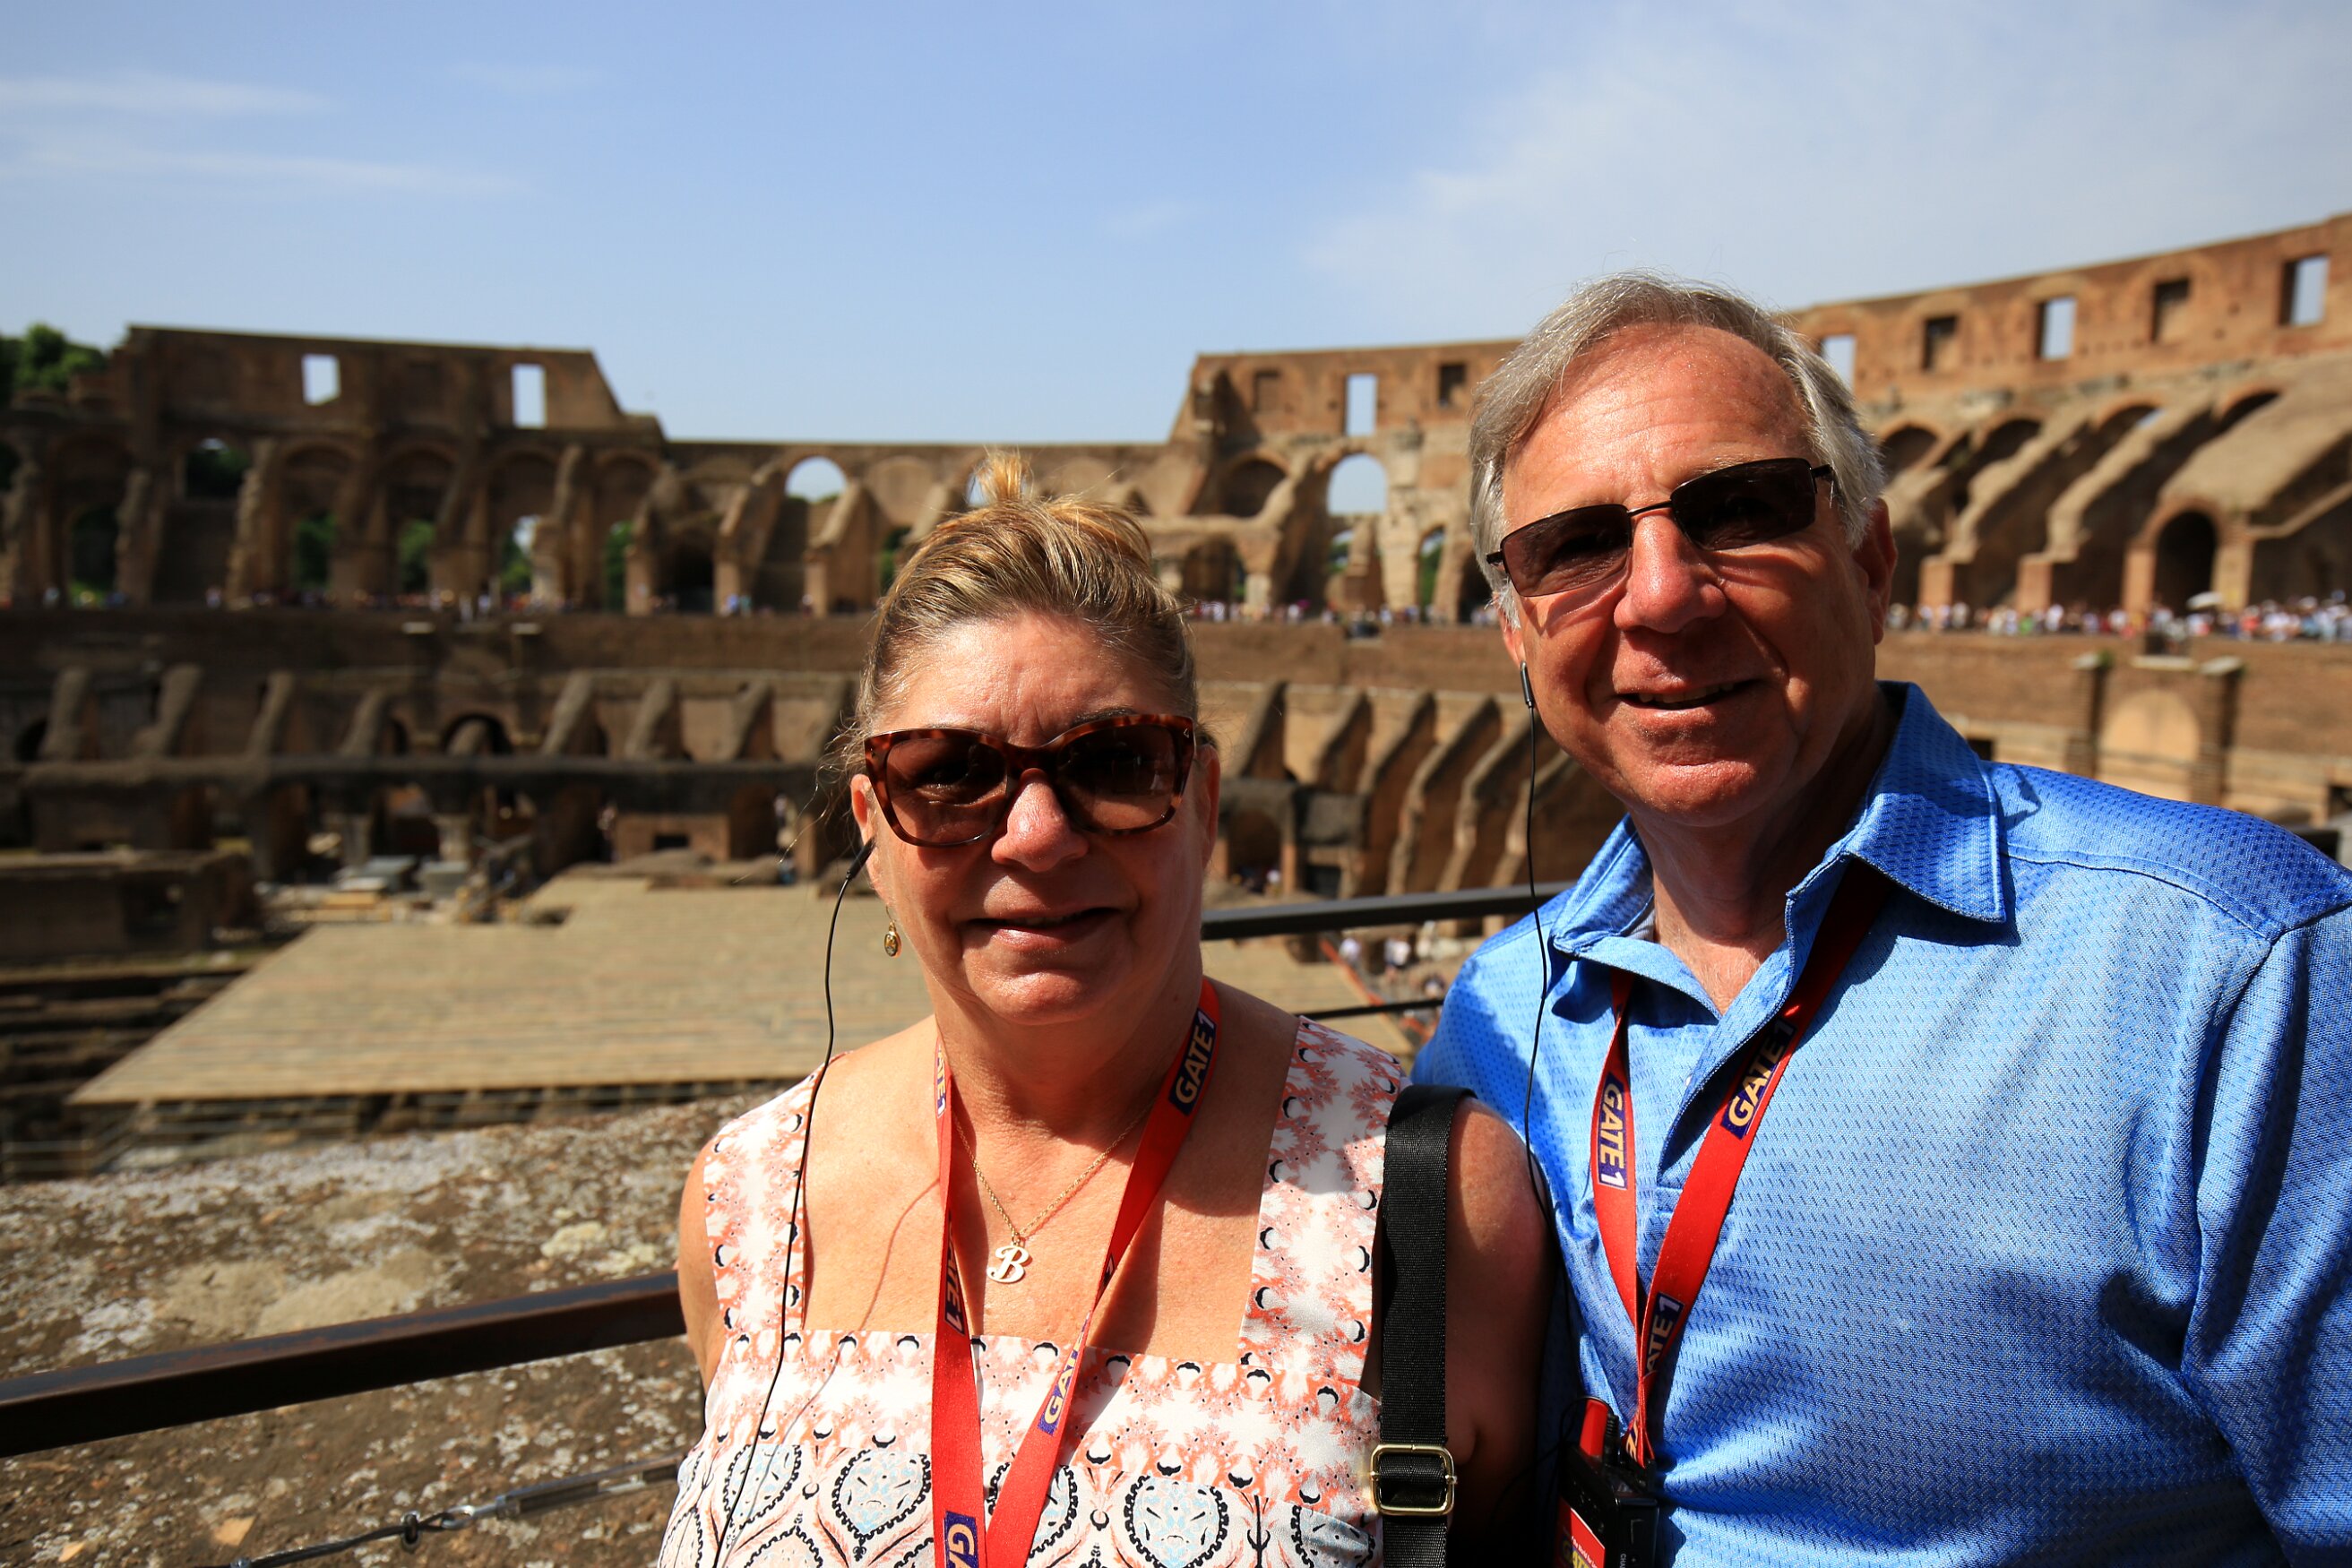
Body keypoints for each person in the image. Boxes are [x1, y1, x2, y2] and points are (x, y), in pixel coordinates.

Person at [1413, 273, 2352, 1562]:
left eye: (1740, 508)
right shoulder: (1495, 1021)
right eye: (1574, 546)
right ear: (1515, 634)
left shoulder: (2221, 968)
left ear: (1870, 561)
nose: (1661, 595)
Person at [660, 455, 1549, 1565]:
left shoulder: (1435, 1209)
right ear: (872, 831)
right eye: (950, 771)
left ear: (1204, 803)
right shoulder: (748, 1204)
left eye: (1116, 761)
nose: (1036, 834)